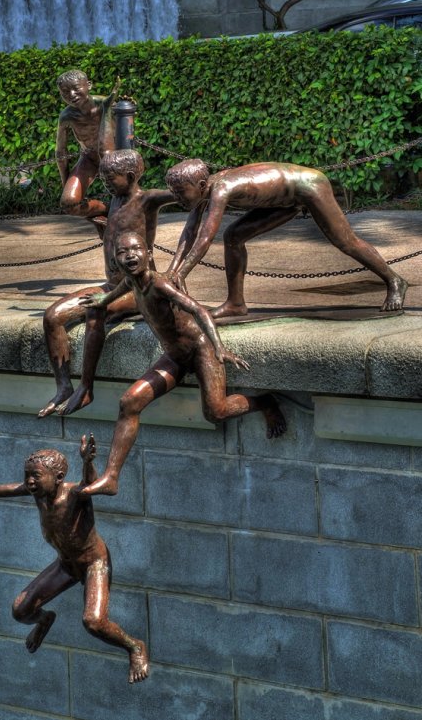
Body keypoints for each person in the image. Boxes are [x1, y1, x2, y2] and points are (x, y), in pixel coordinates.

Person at [0, 434, 149, 684]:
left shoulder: (75, 494)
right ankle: (44, 620)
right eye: (27, 475)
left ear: (59, 478)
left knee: (93, 622)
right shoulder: (37, 494)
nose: (29, 481)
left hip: (94, 563)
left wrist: (87, 462)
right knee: (20, 610)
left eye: (36, 476)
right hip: (66, 565)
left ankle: (135, 647)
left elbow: (90, 485)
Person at [78, 232, 286, 497]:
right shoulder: (131, 281)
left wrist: (219, 346)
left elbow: (198, 310)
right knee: (129, 402)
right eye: (122, 252)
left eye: (136, 249)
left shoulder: (160, 284)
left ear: (149, 254)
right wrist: (102, 300)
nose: (130, 256)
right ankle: (111, 477)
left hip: (200, 349)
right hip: (175, 356)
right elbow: (121, 288)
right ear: (115, 260)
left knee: (216, 412)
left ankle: (265, 402)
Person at [165, 158, 408, 317]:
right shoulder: (203, 191)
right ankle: (236, 303)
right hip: (283, 200)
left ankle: (394, 280)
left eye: (180, 192)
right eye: (174, 193)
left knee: (345, 241)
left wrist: (182, 274)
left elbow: (205, 237)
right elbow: (189, 232)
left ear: (200, 184)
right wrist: (172, 272)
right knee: (234, 236)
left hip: (308, 185)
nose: (178, 198)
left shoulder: (221, 189)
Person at [38, 148, 177, 418]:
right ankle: (64, 386)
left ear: (129, 175)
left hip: (138, 289)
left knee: (96, 310)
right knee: (52, 316)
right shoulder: (111, 202)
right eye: (102, 178)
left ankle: (86, 387)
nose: (104, 183)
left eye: (110, 178)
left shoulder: (146, 200)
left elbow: (184, 194)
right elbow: (70, 203)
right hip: (112, 286)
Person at [55, 69, 119, 231]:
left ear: (88, 85)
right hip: (89, 159)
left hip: (116, 159)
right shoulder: (67, 116)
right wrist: (65, 184)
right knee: (70, 204)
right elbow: (60, 153)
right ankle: (105, 209)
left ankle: (115, 210)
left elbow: (127, 135)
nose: (71, 94)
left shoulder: (107, 103)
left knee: (126, 202)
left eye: (76, 88)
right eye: (65, 92)